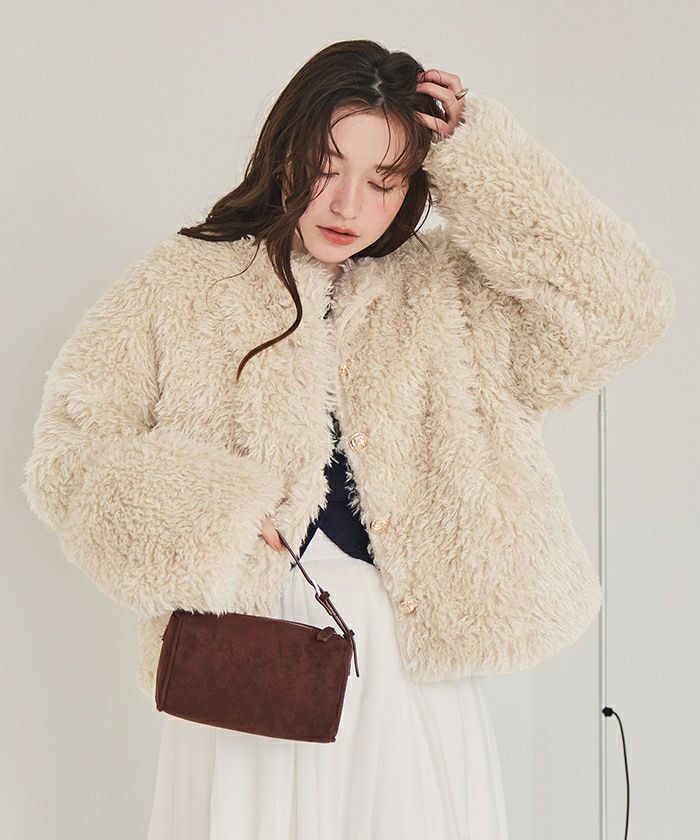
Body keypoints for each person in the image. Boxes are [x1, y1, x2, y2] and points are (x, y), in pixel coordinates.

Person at [21, 38, 675, 840]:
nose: (346, 205)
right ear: (284, 152)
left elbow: (622, 307)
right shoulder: (180, 284)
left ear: (416, 183)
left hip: (406, 658)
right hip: (244, 656)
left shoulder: (451, 291)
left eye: (383, 181)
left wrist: (482, 155)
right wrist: (214, 512)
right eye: (324, 168)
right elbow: (70, 456)